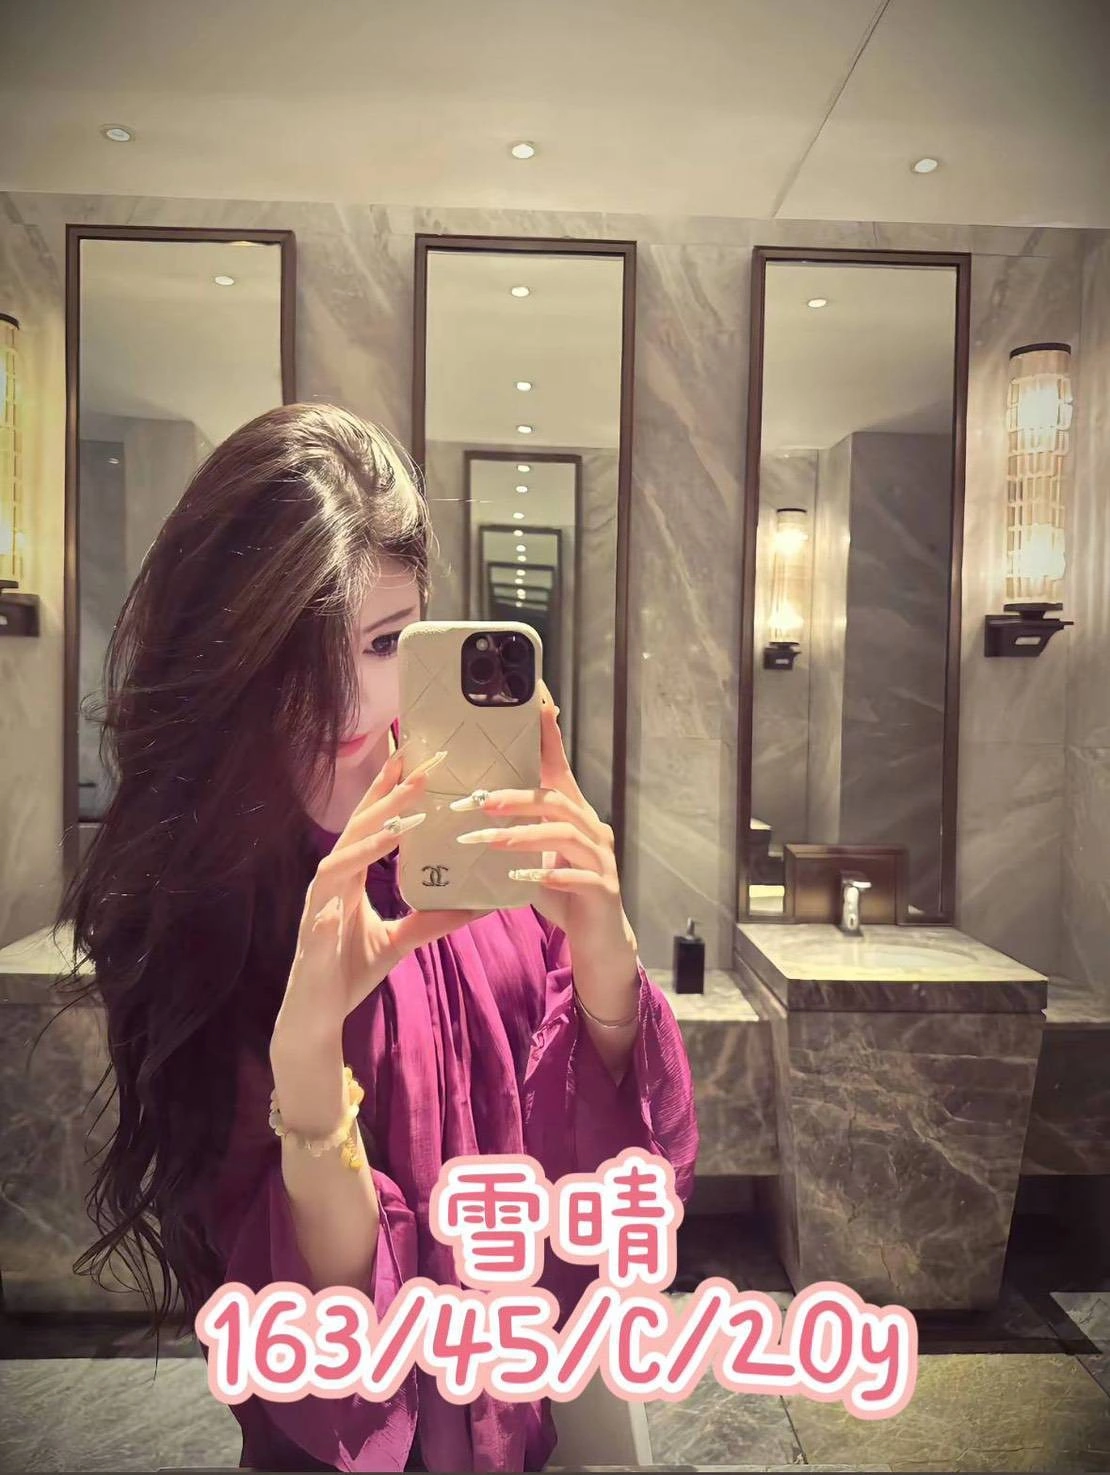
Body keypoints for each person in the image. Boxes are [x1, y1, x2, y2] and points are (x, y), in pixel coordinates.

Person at [60, 403, 698, 1473]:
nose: (353, 700)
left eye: (389, 639)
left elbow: (615, 1200)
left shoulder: (484, 850)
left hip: (524, 1421)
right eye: (298, 649)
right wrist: (309, 1053)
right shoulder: (215, 904)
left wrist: (605, 961)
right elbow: (330, 1354)